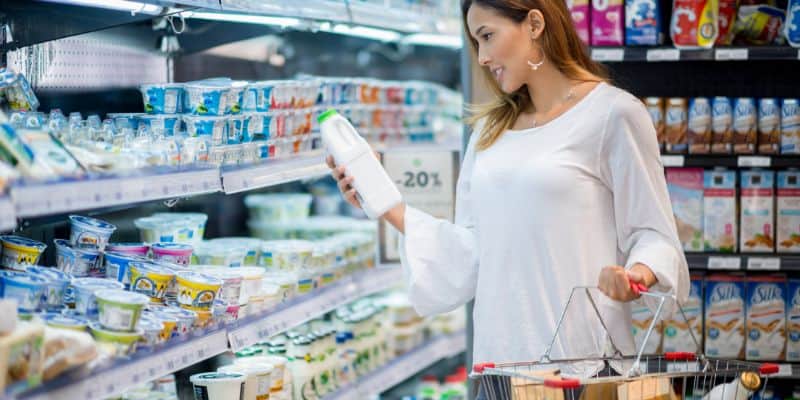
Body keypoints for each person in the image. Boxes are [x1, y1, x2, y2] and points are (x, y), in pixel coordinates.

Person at [328, 0, 689, 395]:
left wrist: (638, 273)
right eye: (475, 43)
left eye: (487, 36)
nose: (482, 58)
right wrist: (386, 205)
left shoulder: (613, 114)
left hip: (581, 370)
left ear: (534, 23)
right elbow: (470, 254)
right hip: (498, 370)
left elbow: (655, 234)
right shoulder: (489, 132)